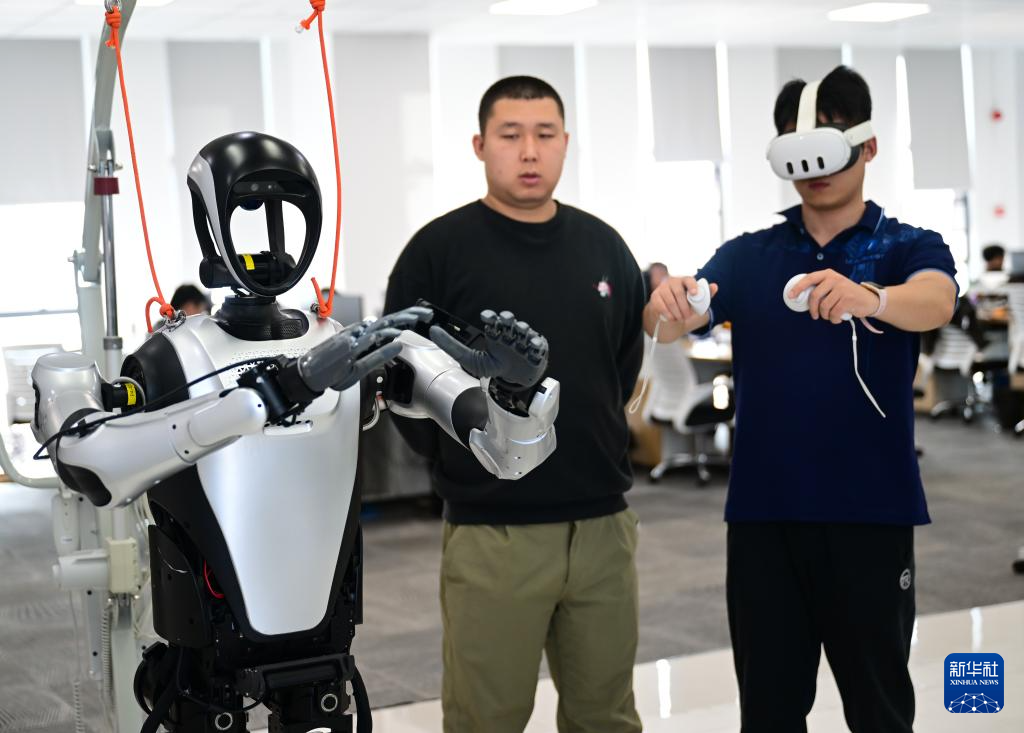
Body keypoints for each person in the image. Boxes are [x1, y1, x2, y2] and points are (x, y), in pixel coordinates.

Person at [645, 65, 956, 732]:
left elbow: (937, 299)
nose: (815, 165)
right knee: (769, 709)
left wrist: (871, 297)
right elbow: (672, 320)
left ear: (867, 146)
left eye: (830, 138)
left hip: (871, 512)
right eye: (797, 141)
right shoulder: (749, 255)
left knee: (879, 706)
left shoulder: (906, 246)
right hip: (765, 518)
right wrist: (667, 301)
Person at [384, 75, 645, 733]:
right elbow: (405, 385)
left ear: (565, 142)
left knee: (608, 717)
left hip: (601, 528)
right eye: (510, 135)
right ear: (480, 145)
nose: (530, 151)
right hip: (492, 531)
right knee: (486, 720)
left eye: (545, 134)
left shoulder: (604, 246)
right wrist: (465, 462)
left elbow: (619, 369)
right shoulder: (438, 252)